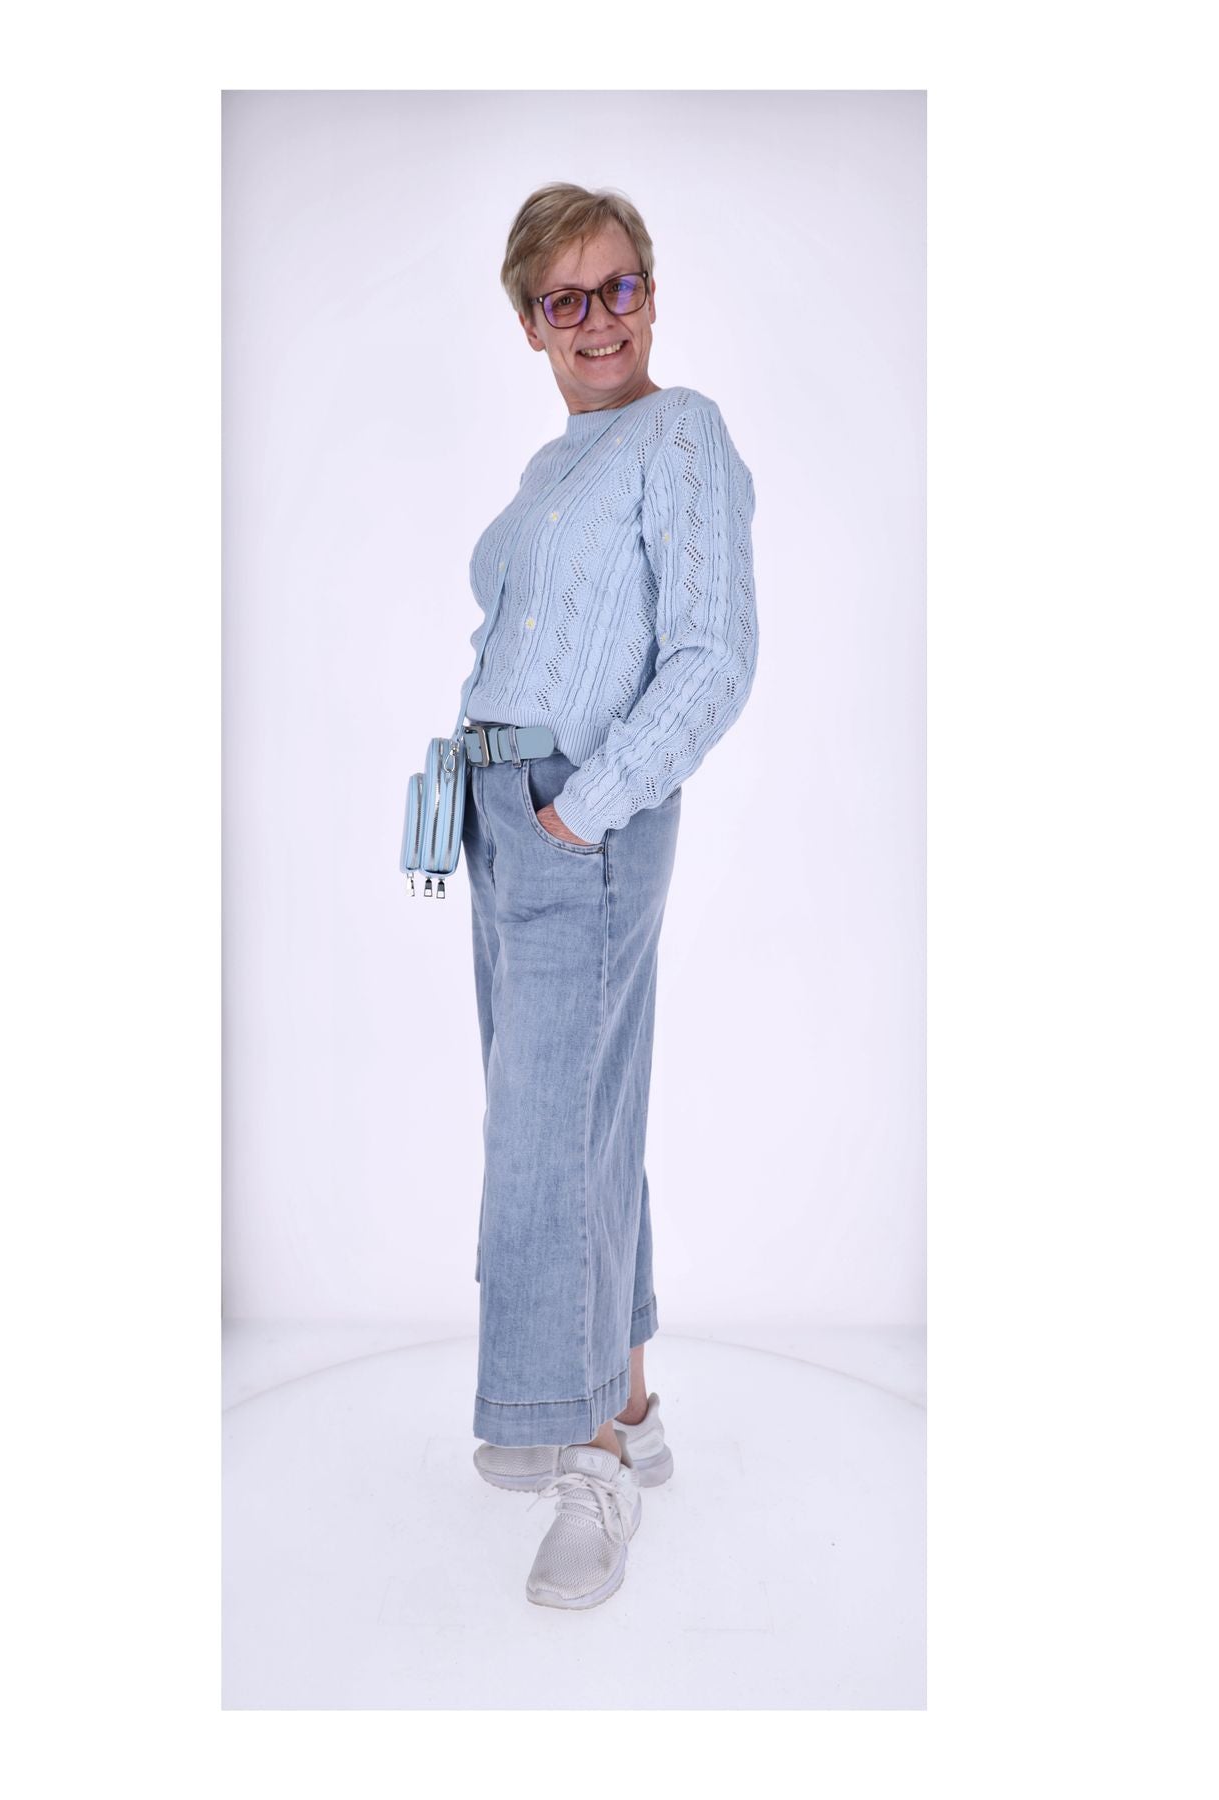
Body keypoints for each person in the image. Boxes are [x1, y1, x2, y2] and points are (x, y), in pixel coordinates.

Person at [457, 183, 759, 1610]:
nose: (597, 320)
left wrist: (586, 804)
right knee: (577, 1121)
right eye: (565, 299)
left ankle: (581, 1464)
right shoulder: (550, 465)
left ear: (652, 295)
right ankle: (627, 1409)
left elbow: (712, 654)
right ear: (531, 322)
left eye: (618, 286)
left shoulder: (679, 432)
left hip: (582, 810)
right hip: (504, 809)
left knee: (545, 1141)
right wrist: (497, 793)